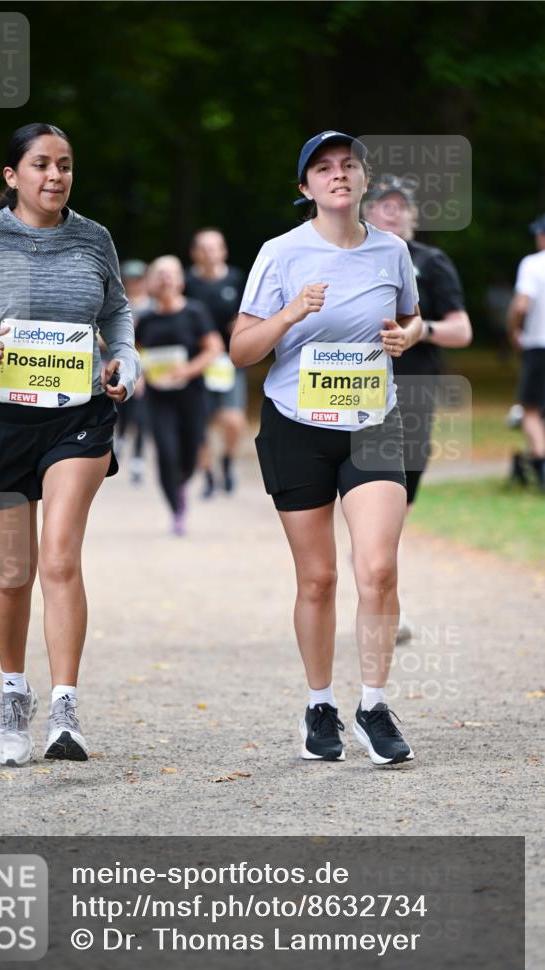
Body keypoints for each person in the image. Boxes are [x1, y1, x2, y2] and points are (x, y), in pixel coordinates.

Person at [0, 122, 140, 765]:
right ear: (12, 176)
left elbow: (117, 314)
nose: (55, 176)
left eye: (65, 165)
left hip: (78, 414)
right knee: (14, 572)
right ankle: (15, 691)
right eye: (41, 164)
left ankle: (65, 707)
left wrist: (124, 363)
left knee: (60, 558)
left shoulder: (94, 238)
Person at [230, 130, 422, 766]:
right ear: (305, 187)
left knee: (378, 567)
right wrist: (288, 315)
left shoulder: (391, 250)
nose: (338, 175)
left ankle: (372, 704)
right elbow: (242, 350)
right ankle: (319, 704)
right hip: (296, 423)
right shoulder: (280, 254)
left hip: (373, 421)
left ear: (364, 181)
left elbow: (412, 317)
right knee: (317, 578)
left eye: (349, 166)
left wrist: (406, 337)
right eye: (323, 168)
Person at [362, 175, 472, 642]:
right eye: (382, 206)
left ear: (413, 216)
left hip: (413, 392)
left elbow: (463, 331)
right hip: (357, 391)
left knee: (395, 505)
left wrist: (420, 331)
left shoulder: (431, 262)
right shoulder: (347, 260)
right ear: (366, 213)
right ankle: (383, 609)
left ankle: (377, 594)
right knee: (367, 500)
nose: (391, 213)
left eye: (399, 207)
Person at [136, 255, 223, 534]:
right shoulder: (146, 319)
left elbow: (214, 348)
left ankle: (181, 483)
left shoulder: (194, 312)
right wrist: (137, 377)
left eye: (171, 273)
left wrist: (187, 370)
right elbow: (133, 352)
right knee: (165, 451)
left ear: (181, 280)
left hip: (192, 395)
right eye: (159, 273)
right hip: (158, 397)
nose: (165, 278)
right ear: (150, 282)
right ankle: (176, 509)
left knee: (189, 452)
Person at [185, 229, 247, 496]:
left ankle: (227, 461)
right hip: (197, 361)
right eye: (204, 247)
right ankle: (208, 475)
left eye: (215, 247)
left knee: (233, 420)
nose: (210, 253)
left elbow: (252, 314)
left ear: (223, 251)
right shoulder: (186, 282)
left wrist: (242, 326)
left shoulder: (236, 279)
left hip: (230, 361)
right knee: (199, 423)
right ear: (195, 252)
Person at [507, 213, 545, 490]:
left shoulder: (533, 264)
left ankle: (542, 465)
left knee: (530, 409)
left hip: (538, 344)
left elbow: (521, 305)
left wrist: (514, 330)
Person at [115, 259, 150, 484]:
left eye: (139, 279)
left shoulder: (152, 307)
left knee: (141, 415)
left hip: (146, 366)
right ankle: (119, 442)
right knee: (122, 413)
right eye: (131, 279)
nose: (135, 283)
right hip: (119, 364)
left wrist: (143, 372)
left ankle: (138, 460)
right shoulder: (120, 304)